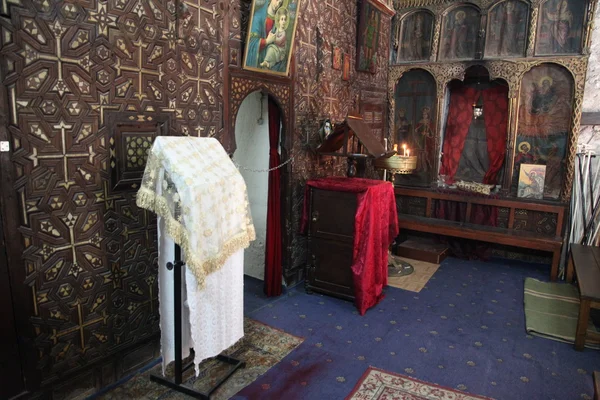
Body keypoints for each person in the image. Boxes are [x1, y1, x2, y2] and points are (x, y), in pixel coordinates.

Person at [246, 0, 285, 70]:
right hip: (258, 59)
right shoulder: (258, 16)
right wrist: (266, 41)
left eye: (280, 2)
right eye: (276, 0)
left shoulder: (279, 21)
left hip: (271, 60)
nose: (278, 4)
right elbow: (251, 43)